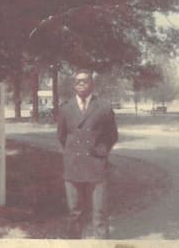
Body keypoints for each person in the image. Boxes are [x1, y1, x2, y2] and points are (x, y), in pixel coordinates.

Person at [57, 69, 118, 239]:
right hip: (73, 167)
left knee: (99, 214)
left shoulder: (104, 107)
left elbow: (112, 135)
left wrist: (100, 151)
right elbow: (61, 136)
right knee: (74, 213)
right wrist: (74, 153)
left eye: (85, 81)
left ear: (92, 84)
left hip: (96, 167)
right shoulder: (66, 108)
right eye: (78, 81)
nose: (81, 84)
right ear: (73, 85)